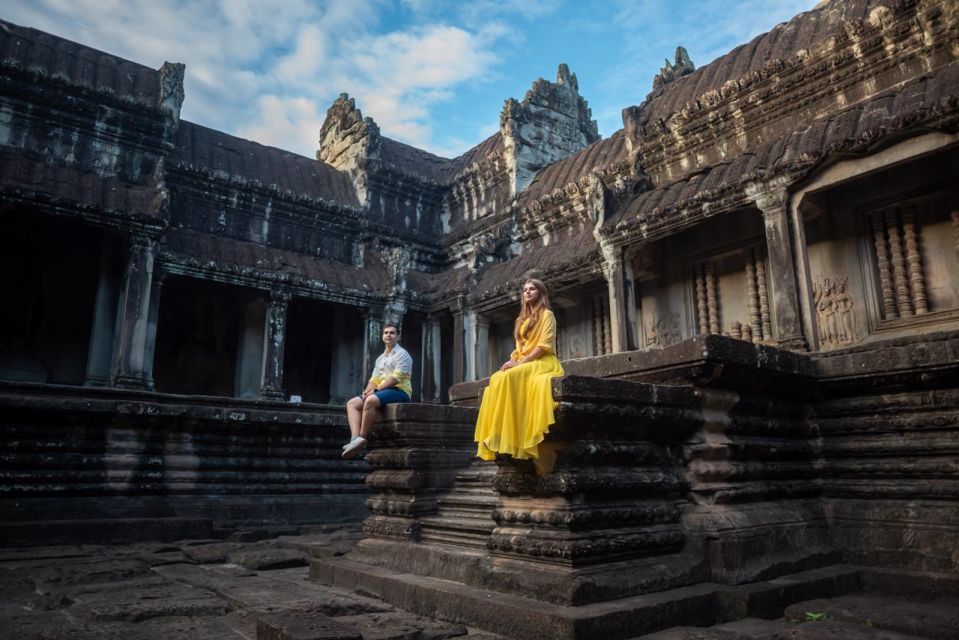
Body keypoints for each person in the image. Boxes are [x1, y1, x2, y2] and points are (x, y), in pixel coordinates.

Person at [474, 278, 565, 473]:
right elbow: (519, 348)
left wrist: (520, 363)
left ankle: (518, 435)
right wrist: (512, 361)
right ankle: (501, 433)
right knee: (497, 377)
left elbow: (544, 346)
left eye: (532, 289)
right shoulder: (521, 320)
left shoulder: (547, 315)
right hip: (524, 361)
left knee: (509, 377)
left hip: (543, 362)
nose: (528, 292)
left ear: (540, 293)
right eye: (525, 289)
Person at [342, 323, 412, 459]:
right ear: (382, 336)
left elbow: (395, 379)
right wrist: (367, 391)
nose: (388, 335)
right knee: (352, 404)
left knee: (371, 400)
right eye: (386, 333)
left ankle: (362, 437)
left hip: (400, 391)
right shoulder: (381, 358)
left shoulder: (403, 354)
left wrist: (374, 391)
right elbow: (374, 379)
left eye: (392, 333)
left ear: (398, 336)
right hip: (381, 391)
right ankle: (354, 439)